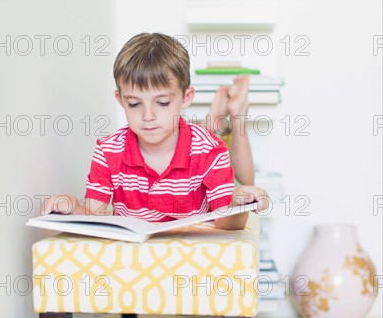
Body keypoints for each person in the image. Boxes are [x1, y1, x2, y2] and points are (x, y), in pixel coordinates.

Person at [41, 33, 268, 230]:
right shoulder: (108, 150)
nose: (147, 116)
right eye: (134, 104)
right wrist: (70, 206)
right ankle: (217, 116)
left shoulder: (209, 149)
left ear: (186, 97)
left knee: (235, 173)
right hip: (137, 258)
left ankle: (232, 115)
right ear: (120, 100)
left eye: (162, 103)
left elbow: (228, 224)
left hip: (191, 255)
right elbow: (94, 217)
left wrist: (239, 205)